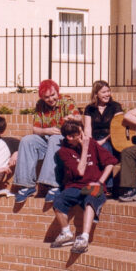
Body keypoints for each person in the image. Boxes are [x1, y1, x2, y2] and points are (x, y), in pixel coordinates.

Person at [49, 120, 115, 254]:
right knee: (58, 201)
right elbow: (80, 171)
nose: (83, 137)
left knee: (91, 199)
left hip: (93, 185)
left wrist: (100, 182)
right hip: (75, 186)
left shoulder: (91, 143)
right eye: (80, 134)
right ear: (70, 137)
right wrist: (84, 149)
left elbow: (110, 162)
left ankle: (84, 237)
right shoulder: (64, 152)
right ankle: (66, 233)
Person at [13, 79, 83, 200]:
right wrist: (46, 131)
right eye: (46, 97)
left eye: (53, 95)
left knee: (54, 138)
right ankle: (27, 185)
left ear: (57, 92)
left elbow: (78, 118)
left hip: (65, 140)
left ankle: (53, 185)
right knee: (26, 140)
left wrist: (73, 117)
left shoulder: (66, 100)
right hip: (47, 139)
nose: (51, 99)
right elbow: (35, 129)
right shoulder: (40, 105)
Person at [83, 80, 124, 157]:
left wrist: (103, 141)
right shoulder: (89, 108)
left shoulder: (115, 106)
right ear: (96, 94)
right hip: (95, 140)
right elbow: (87, 129)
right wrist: (91, 144)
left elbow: (119, 129)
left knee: (104, 148)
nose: (107, 94)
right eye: (103, 92)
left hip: (111, 140)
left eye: (108, 91)